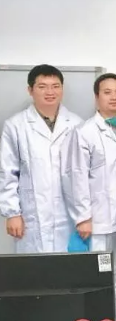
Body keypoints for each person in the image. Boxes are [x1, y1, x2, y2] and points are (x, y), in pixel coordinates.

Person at [61, 73, 116, 321]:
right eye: (107, 92)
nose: (114, 97)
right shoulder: (85, 132)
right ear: (96, 97)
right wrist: (83, 217)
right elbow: (76, 176)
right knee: (98, 274)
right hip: (98, 220)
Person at [0, 64, 82, 253]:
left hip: (69, 214)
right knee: (35, 267)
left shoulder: (76, 124)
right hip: (31, 215)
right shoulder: (15, 125)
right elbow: (7, 172)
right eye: (42, 86)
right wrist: (12, 213)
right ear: (30, 90)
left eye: (55, 86)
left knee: (68, 266)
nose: (50, 92)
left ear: (62, 89)